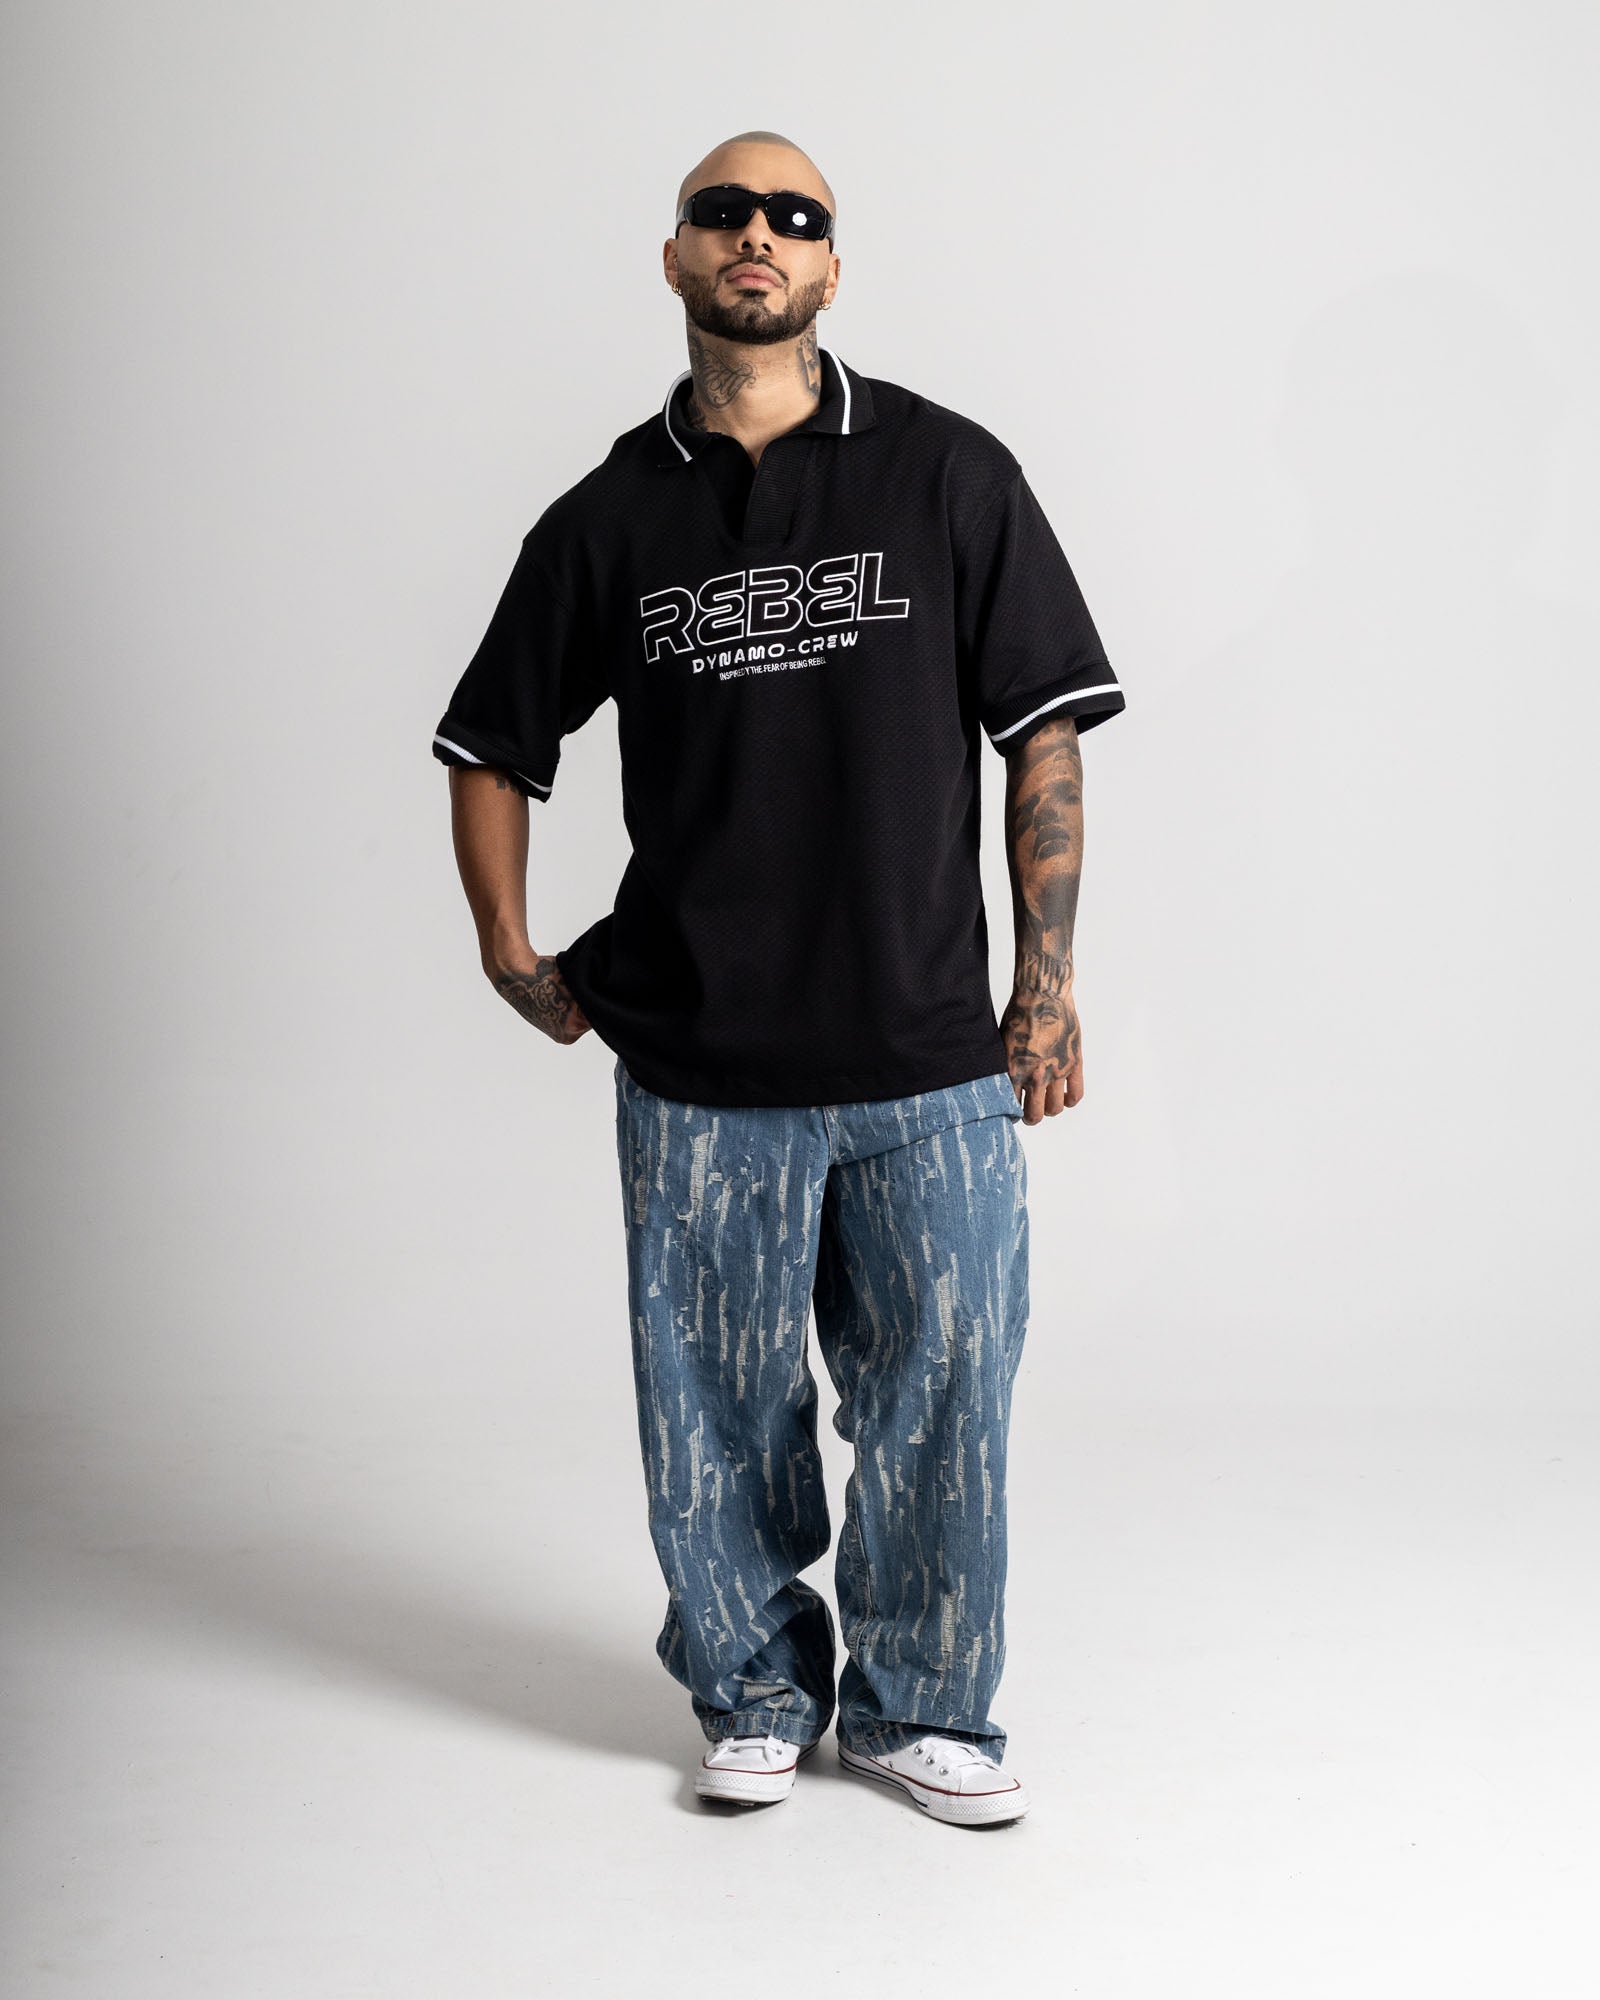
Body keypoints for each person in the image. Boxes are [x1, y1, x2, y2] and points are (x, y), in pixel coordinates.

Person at [432, 131, 1126, 1829]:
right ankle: (751, 1689)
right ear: (676, 256)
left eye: (794, 215)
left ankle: (920, 1711)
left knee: (945, 1397)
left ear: (830, 265)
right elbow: (491, 741)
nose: (760, 233)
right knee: (715, 1415)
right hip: (700, 1065)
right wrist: (508, 948)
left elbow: (1042, 734)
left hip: (925, 1056)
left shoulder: (948, 472)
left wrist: (1045, 984)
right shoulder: (609, 517)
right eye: (724, 211)